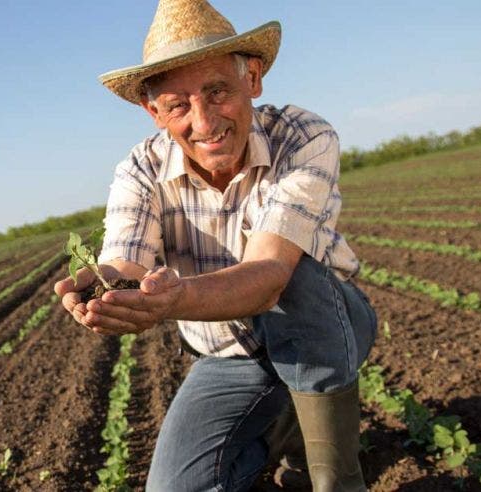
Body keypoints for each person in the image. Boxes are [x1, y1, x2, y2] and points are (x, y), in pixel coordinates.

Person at [53, 1, 377, 490]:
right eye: (178, 104)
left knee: (300, 274)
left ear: (253, 77)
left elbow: (270, 275)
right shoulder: (140, 171)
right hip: (229, 355)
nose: (203, 122)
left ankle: (333, 477)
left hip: (328, 330)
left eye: (217, 91)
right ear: (153, 112)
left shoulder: (302, 136)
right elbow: (126, 260)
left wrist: (177, 298)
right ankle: (284, 425)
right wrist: (112, 289)